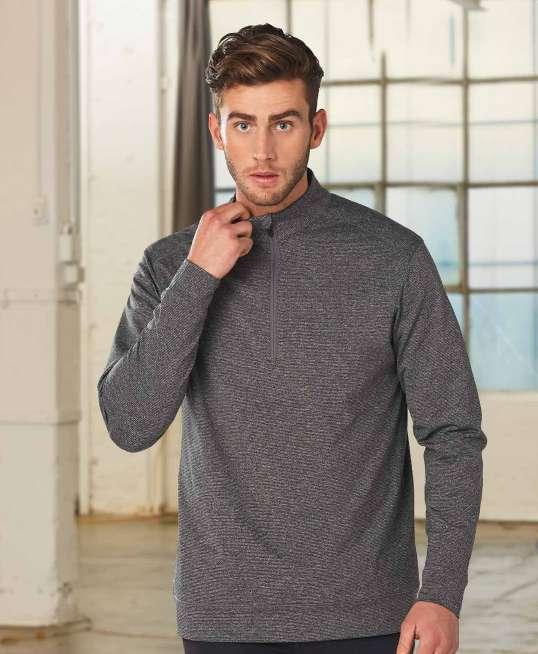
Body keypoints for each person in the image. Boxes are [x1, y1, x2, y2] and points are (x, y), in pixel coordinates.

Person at [97, 23, 486, 654]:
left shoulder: (393, 258)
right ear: (216, 130)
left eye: (283, 123)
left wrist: (442, 592)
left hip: (366, 612)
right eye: (243, 124)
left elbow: (453, 431)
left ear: (317, 128)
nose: (263, 151)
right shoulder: (170, 266)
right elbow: (130, 424)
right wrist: (198, 278)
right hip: (221, 616)